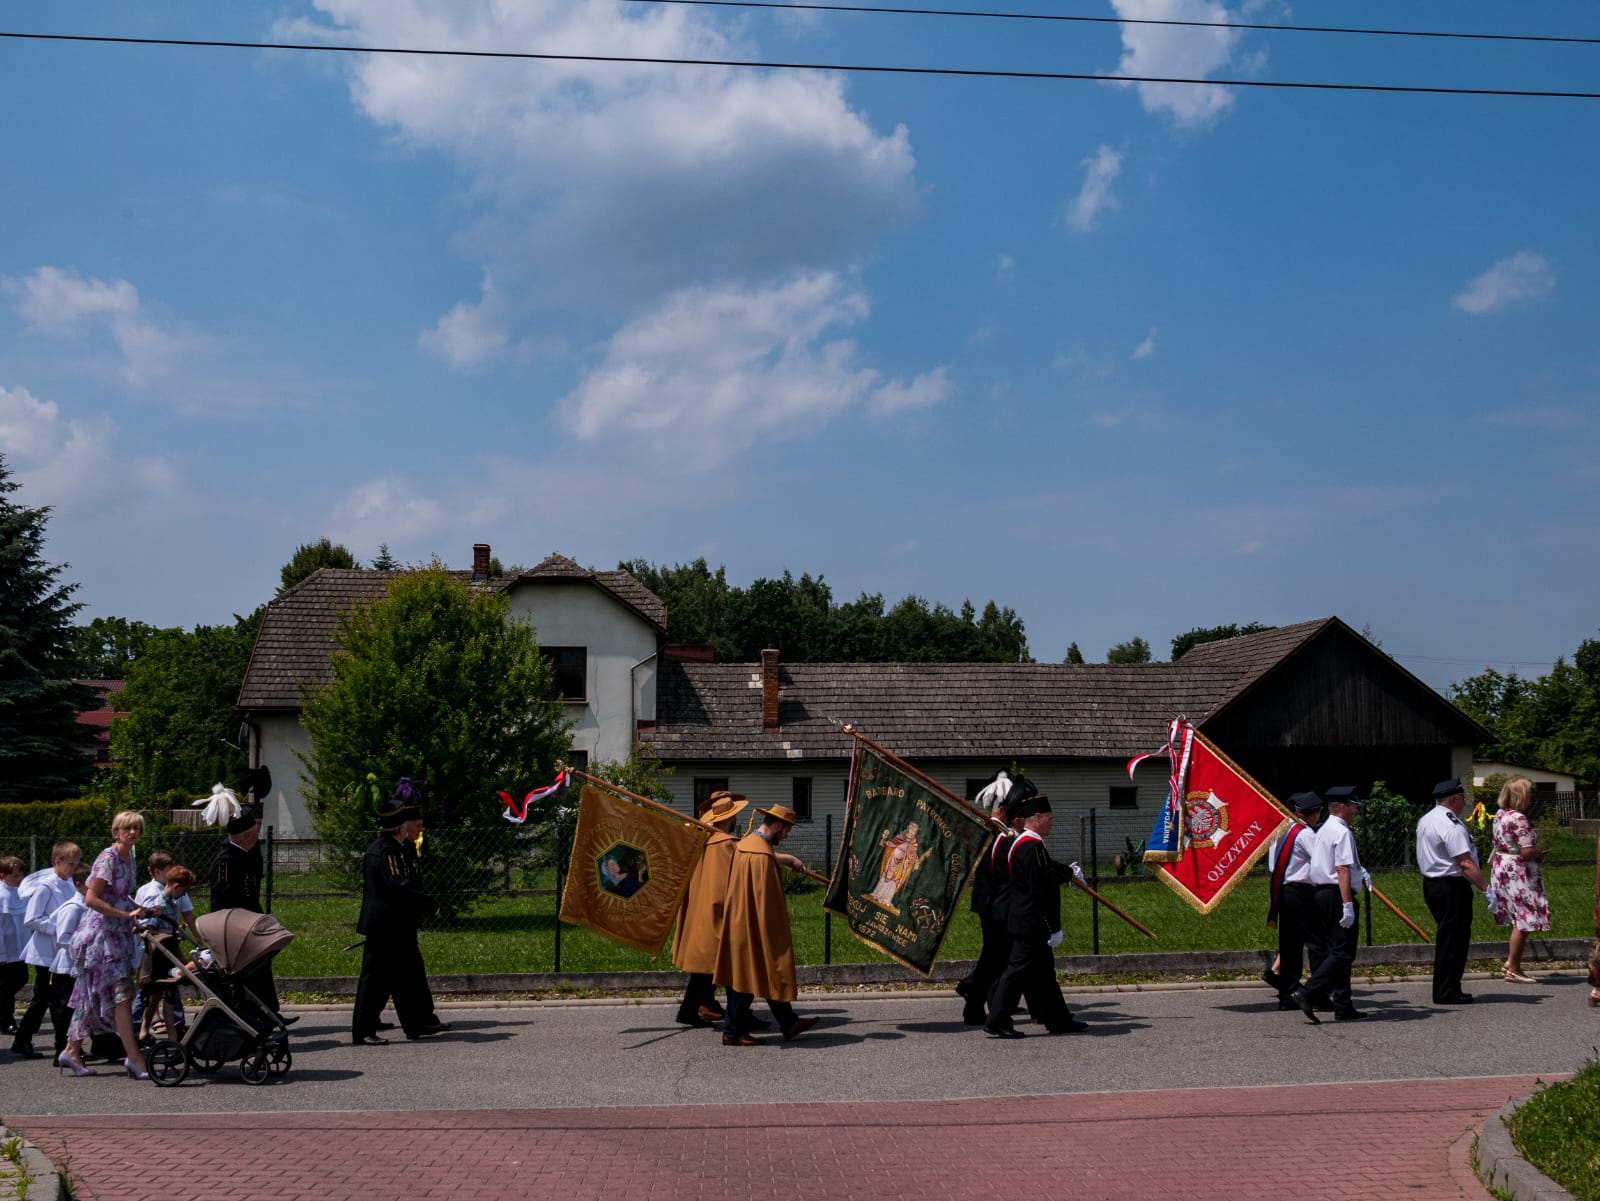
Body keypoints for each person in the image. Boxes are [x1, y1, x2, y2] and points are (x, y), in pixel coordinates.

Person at [713, 803, 819, 1045]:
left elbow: (768, 857)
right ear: (778, 825)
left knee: (753, 973)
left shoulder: (747, 845)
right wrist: (774, 934)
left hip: (739, 921)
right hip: (755, 925)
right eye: (787, 831)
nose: (786, 836)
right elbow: (767, 902)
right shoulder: (761, 856)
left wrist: (789, 859)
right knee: (751, 974)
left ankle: (788, 1022)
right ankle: (732, 1032)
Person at [351, 778, 447, 1046]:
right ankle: (363, 1029)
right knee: (375, 982)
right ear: (400, 826)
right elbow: (398, 887)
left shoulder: (395, 850)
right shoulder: (384, 852)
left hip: (398, 925)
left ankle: (416, 1023)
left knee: (410, 976)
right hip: (384, 927)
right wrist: (428, 903)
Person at [983, 793, 1086, 1039]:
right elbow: (1042, 889)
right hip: (1031, 923)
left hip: (1024, 920)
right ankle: (997, 1020)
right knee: (1016, 972)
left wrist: (1067, 872)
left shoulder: (1023, 843)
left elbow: (1046, 871)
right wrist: (1054, 926)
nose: (1052, 822)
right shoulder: (1033, 846)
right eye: (1049, 818)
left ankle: (1058, 1019)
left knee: (1045, 976)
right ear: (1037, 817)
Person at [62, 811, 152, 1079]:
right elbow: (91, 899)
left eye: (136, 828)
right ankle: (134, 1058)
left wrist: (142, 909)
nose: (132, 832)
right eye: (127, 828)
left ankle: (71, 1050)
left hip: (119, 935)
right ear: (116, 832)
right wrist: (125, 915)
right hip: (101, 937)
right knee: (122, 996)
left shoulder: (129, 858)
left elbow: (122, 895)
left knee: (92, 995)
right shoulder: (108, 859)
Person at [1291, 789, 1369, 1023]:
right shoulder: (1342, 832)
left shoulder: (1324, 829)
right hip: (1337, 895)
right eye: (1355, 806)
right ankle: (1308, 992)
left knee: (1338, 950)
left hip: (1322, 894)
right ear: (1343, 806)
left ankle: (1343, 1005)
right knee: (1343, 952)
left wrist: (1360, 872)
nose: (1357, 810)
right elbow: (1341, 869)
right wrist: (1347, 904)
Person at [671, 790, 746, 1028]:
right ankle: (738, 1016)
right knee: (728, 964)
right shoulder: (725, 844)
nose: (736, 820)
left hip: (702, 909)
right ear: (728, 818)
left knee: (706, 966)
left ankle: (691, 1009)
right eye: (734, 816)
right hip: (717, 911)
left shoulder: (704, 841)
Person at [1416, 778, 1493, 1005]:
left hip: (1433, 884)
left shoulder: (1427, 819)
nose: (1464, 803)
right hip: (1451, 886)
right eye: (1462, 798)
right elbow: (1465, 863)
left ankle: (1450, 987)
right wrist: (1486, 890)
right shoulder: (1450, 824)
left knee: (1450, 937)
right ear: (1453, 799)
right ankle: (1446, 990)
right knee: (1454, 939)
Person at [209, 805, 285, 1019]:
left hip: (250, 921)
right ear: (248, 835)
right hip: (237, 926)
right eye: (254, 831)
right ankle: (258, 1012)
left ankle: (268, 1010)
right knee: (250, 972)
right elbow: (223, 899)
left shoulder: (244, 855)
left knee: (261, 966)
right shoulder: (226, 860)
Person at [9, 841, 81, 1059]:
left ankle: (24, 1040)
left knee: (45, 1000)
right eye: (70, 864)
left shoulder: (69, 883)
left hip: (60, 951)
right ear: (56, 862)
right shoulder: (46, 887)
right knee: (54, 1000)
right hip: (45, 954)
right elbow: (31, 919)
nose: (73, 868)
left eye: (76, 864)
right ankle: (61, 1046)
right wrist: (57, 928)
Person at [956, 783, 1017, 1026]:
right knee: (995, 956)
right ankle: (973, 992)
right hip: (992, 902)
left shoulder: (996, 830)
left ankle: (980, 999)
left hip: (993, 901)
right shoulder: (993, 831)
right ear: (1001, 809)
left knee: (995, 956)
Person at [1263, 791, 1327, 1010]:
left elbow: (1272, 865)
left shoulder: (1281, 830)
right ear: (1314, 814)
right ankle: (1317, 994)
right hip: (1301, 891)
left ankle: (1287, 995)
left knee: (1290, 946)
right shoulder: (1306, 834)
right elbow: (1322, 861)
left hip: (1283, 890)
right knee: (1318, 944)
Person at [132, 852, 203, 1038]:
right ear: (177, 886)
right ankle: (138, 1027)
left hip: (168, 952)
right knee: (150, 994)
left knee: (167, 994)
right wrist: (146, 924)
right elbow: (150, 929)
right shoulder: (158, 902)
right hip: (157, 956)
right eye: (184, 891)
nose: (184, 896)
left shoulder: (171, 902)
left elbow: (171, 926)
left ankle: (170, 1033)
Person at [1489, 777, 1550, 984]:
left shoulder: (1500, 815)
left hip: (1501, 867)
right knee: (1524, 919)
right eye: (1529, 793)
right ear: (1520, 795)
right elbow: (1527, 851)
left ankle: (1510, 963)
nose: (1531, 796)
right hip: (1518, 870)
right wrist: (1539, 854)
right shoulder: (1519, 818)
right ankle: (1514, 966)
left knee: (1518, 916)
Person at [50, 866, 93, 1074]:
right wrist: (86, 944)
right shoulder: (73, 907)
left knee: (77, 1008)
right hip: (68, 965)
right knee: (66, 1009)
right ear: (79, 885)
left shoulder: (86, 905)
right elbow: (63, 938)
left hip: (80, 964)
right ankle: (62, 1049)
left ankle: (74, 1047)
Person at [0, 856, 27, 1036]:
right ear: (3, 876)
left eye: (20, 876)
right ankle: (6, 1020)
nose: (19, 880)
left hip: (20, 944)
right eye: (15, 876)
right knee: (5, 985)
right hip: (5, 947)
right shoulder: (1, 895)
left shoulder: (21, 891)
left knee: (21, 977)